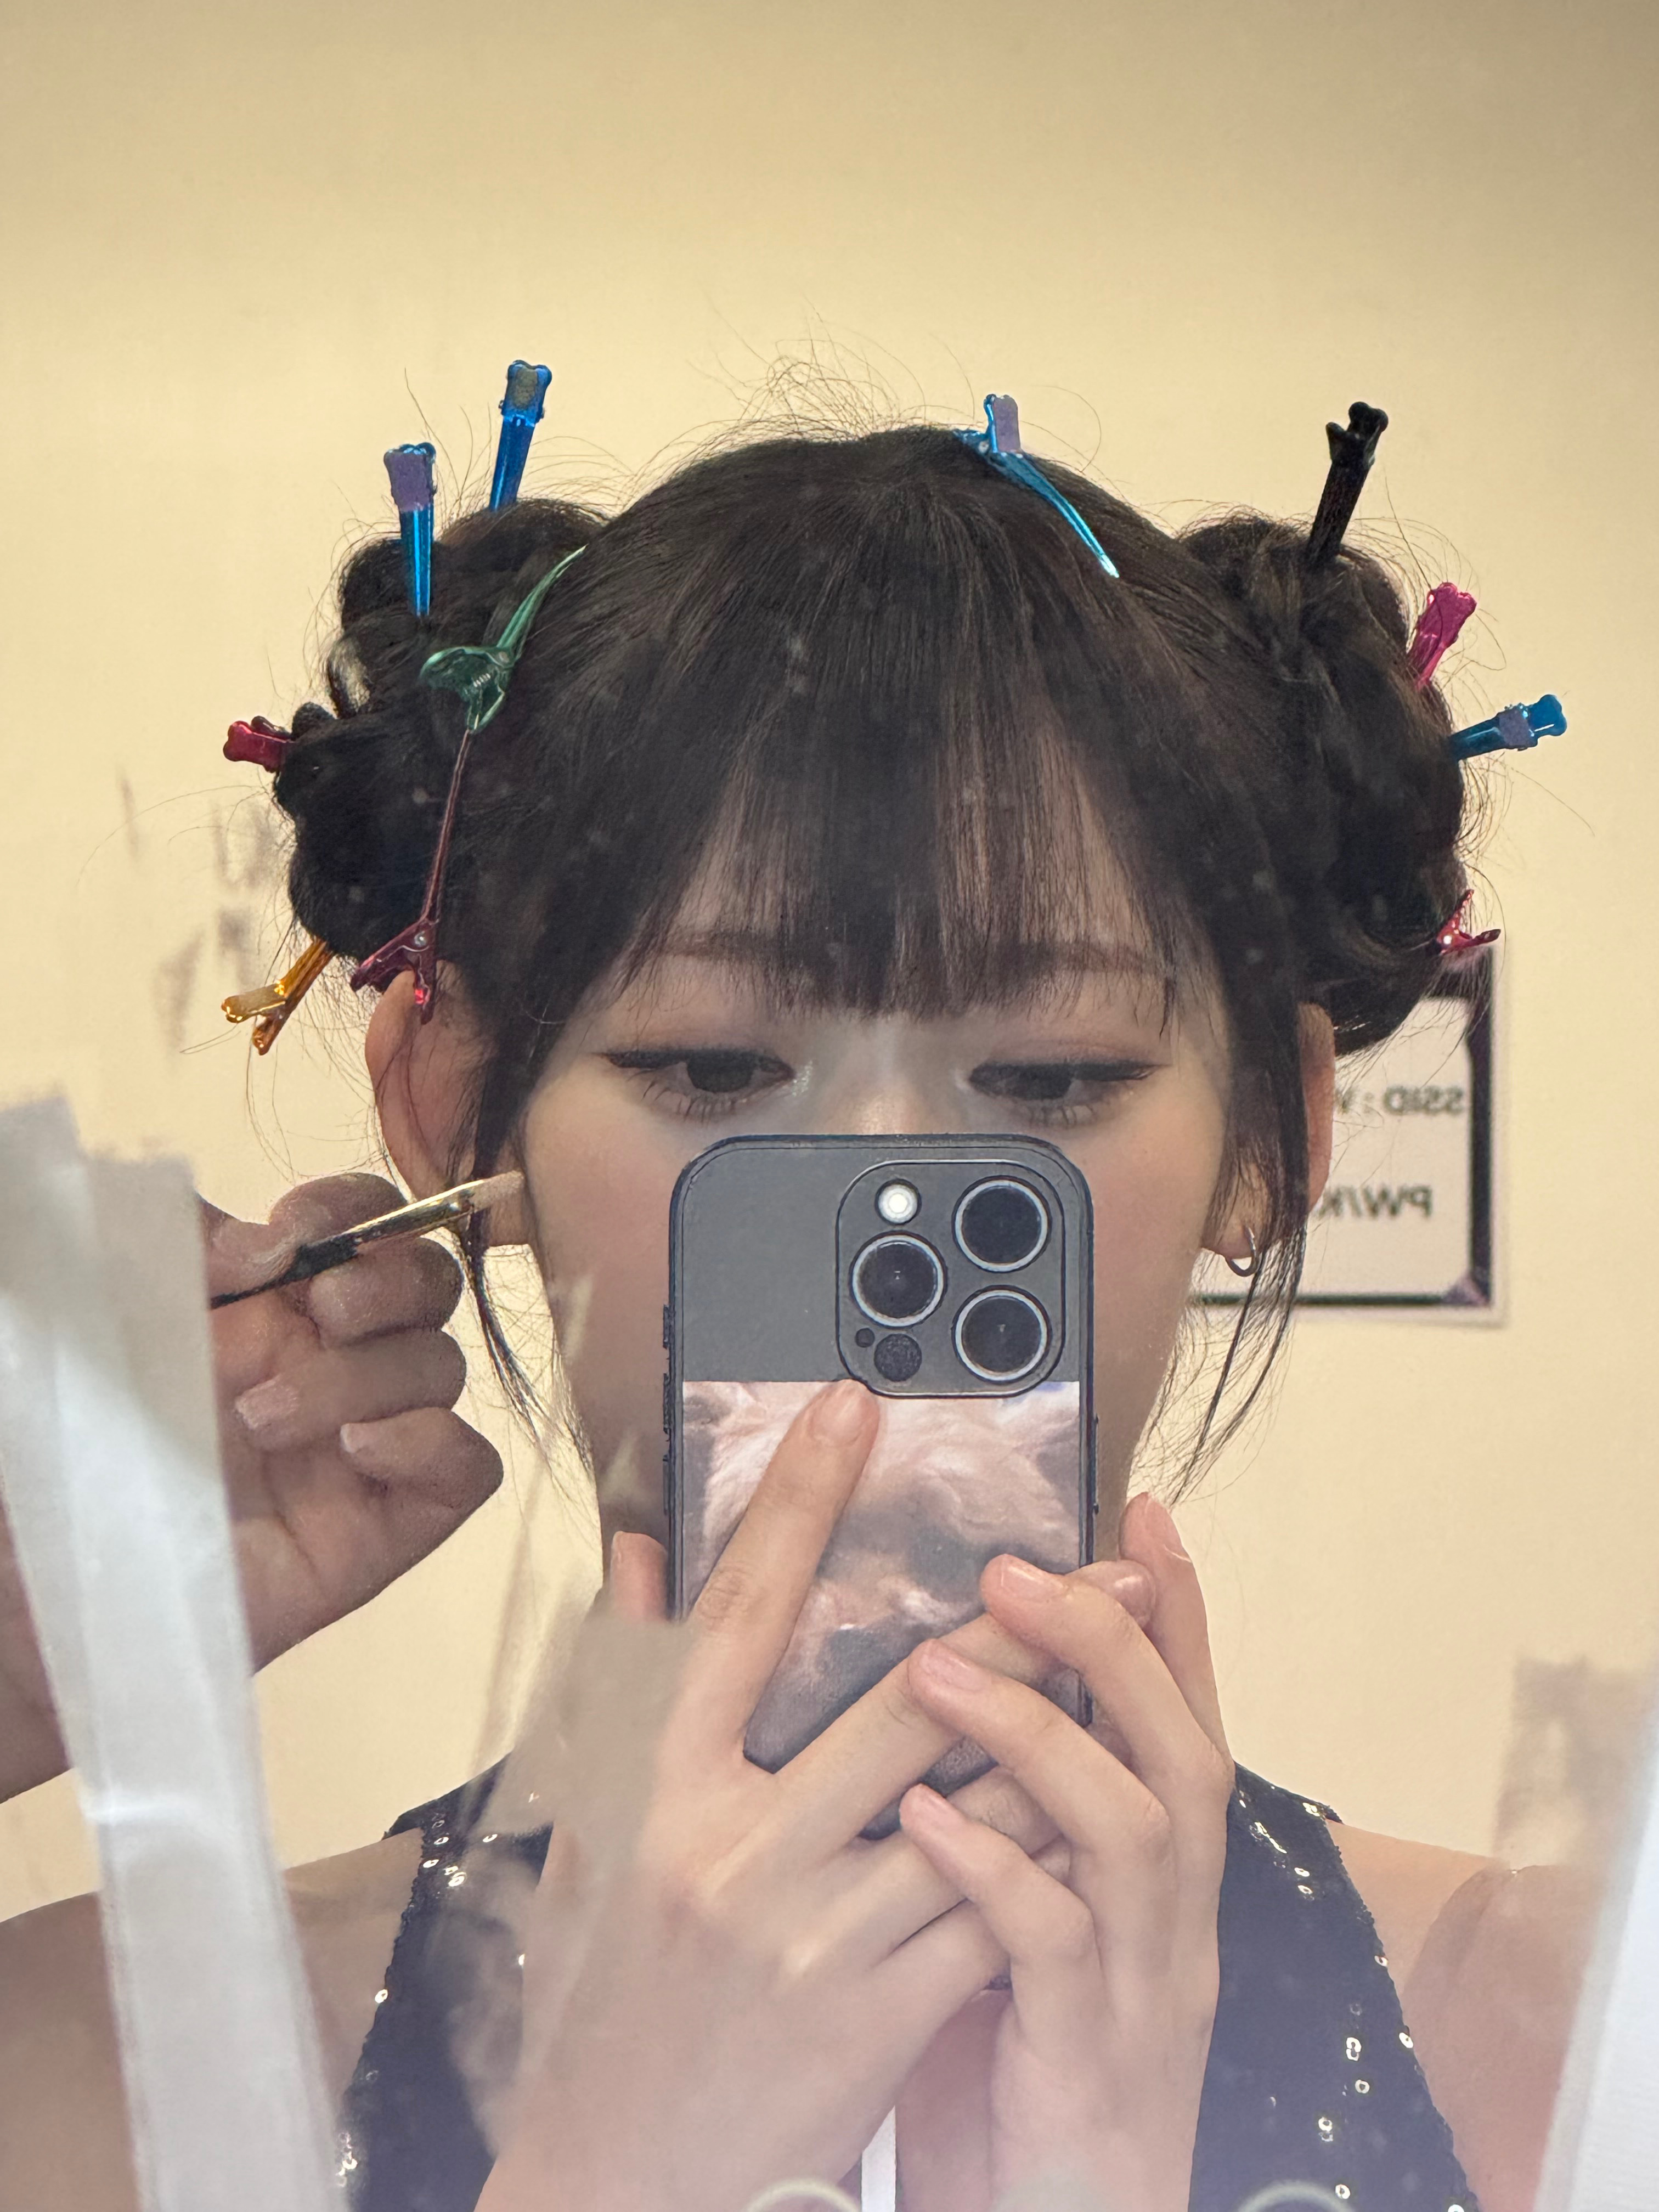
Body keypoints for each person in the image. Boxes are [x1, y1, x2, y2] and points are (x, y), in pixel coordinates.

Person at [0, 405, 1593, 2212]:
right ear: (452, 1110)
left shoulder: (1556, 2047)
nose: (876, 1209)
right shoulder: (117, 2087)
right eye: (711, 1066)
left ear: (1273, 1137)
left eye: (1053, 1079)